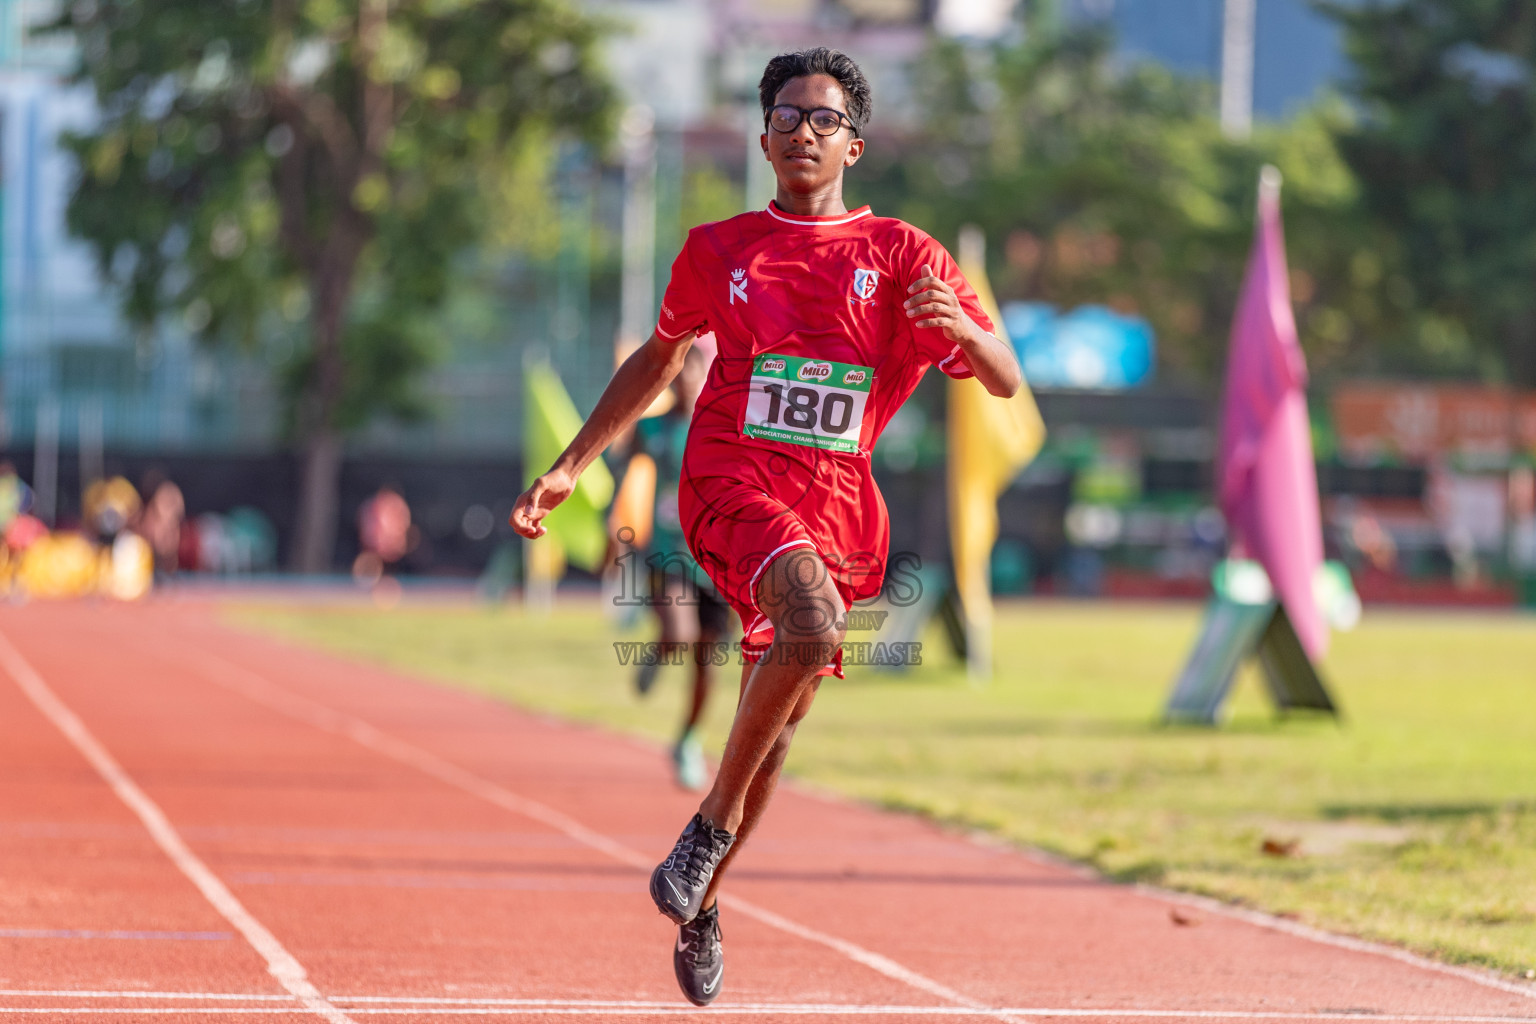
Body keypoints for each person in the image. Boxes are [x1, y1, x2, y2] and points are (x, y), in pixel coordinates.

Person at [511, 47, 1021, 1006]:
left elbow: (1002, 376)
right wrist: (570, 467)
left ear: (856, 144)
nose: (802, 131)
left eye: (823, 118)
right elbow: (657, 363)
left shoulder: (907, 258)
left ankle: (703, 900)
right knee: (816, 626)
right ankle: (705, 831)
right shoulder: (720, 248)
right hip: (729, 481)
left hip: (838, 506)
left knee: (777, 726)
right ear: (763, 137)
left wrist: (960, 329)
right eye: (786, 116)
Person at [629, 345, 728, 791]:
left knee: (708, 664)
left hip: (719, 558)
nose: (687, 379)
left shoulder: (724, 427)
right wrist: (611, 520)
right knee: (680, 633)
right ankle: (659, 651)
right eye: (680, 371)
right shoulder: (652, 430)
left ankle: (688, 740)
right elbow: (621, 474)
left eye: (695, 370)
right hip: (668, 552)